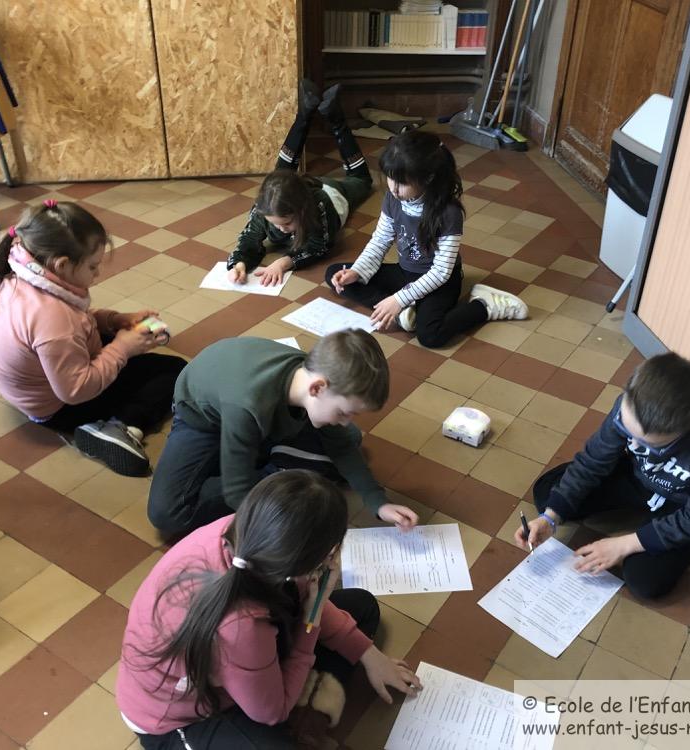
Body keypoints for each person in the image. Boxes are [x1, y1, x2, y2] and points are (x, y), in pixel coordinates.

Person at [118, 470, 422, 749]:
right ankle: (302, 716)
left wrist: (369, 654)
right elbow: (272, 711)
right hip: (177, 719)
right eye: (331, 553)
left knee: (361, 606)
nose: (334, 559)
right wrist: (312, 618)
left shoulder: (253, 534)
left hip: (238, 657)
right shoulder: (242, 625)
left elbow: (299, 600)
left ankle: (299, 710)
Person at [515, 352, 690, 599]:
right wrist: (550, 518)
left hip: (682, 501)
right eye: (626, 431)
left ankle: (647, 530)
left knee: (645, 581)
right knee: (548, 496)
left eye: (649, 444)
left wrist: (625, 544)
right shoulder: (632, 404)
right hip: (636, 475)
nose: (634, 443)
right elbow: (593, 459)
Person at [0, 200, 186, 476]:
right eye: (93, 266)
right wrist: (121, 349)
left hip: (27, 382)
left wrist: (113, 320)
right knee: (174, 372)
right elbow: (75, 391)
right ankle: (121, 426)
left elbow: (76, 322)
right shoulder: (54, 319)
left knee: (119, 342)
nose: (97, 273)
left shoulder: (15, 272)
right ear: (62, 264)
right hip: (60, 406)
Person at [147, 331, 418, 537]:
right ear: (317, 388)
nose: (346, 421)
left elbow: (343, 447)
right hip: (203, 421)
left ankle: (277, 457)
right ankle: (276, 469)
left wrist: (378, 503)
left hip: (252, 416)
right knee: (167, 513)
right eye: (343, 412)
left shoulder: (312, 377)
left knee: (348, 439)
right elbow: (237, 492)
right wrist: (280, 526)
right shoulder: (248, 405)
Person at [325, 129, 528, 348]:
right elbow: (380, 240)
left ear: (428, 178)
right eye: (390, 178)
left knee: (430, 336)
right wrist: (357, 271)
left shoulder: (448, 213)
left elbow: (441, 272)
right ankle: (403, 310)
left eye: (402, 182)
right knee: (336, 275)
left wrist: (399, 299)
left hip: (441, 282)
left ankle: (484, 305)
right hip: (406, 273)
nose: (393, 188)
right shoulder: (392, 199)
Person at [226, 80, 372, 288]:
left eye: (286, 223)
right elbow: (249, 238)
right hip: (295, 188)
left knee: (362, 180)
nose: (281, 229)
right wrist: (239, 264)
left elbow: (319, 246)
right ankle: (305, 112)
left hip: (333, 193)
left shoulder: (319, 205)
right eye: (275, 223)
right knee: (280, 174)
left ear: (302, 211)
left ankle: (335, 117)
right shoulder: (264, 207)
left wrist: (284, 262)